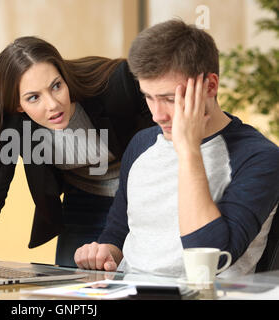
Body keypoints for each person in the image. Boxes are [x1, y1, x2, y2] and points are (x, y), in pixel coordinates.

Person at [0, 36, 155, 267]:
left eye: (56, 86)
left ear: (63, 75)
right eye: (33, 98)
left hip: (141, 195)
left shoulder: (115, 84)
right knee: (73, 286)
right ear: (18, 105)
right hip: (83, 203)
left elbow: (164, 142)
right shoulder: (11, 123)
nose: (52, 104)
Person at [74, 19, 279, 278]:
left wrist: (189, 150)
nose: (157, 115)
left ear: (210, 86)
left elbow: (210, 260)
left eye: (170, 99)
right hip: (125, 291)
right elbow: (118, 230)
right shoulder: (142, 143)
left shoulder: (259, 157)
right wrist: (106, 252)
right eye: (148, 97)